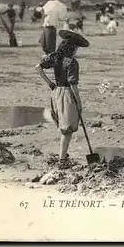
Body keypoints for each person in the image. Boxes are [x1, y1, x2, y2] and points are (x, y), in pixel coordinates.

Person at [35, 29, 89, 169]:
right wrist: (79, 102)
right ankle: (62, 159)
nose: (76, 50)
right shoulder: (72, 62)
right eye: (76, 48)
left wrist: (49, 83)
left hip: (56, 92)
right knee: (68, 129)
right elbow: (73, 86)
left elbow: (38, 67)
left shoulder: (54, 57)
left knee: (64, 126)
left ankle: (63, 155)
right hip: (67, 94)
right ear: (71, 48)